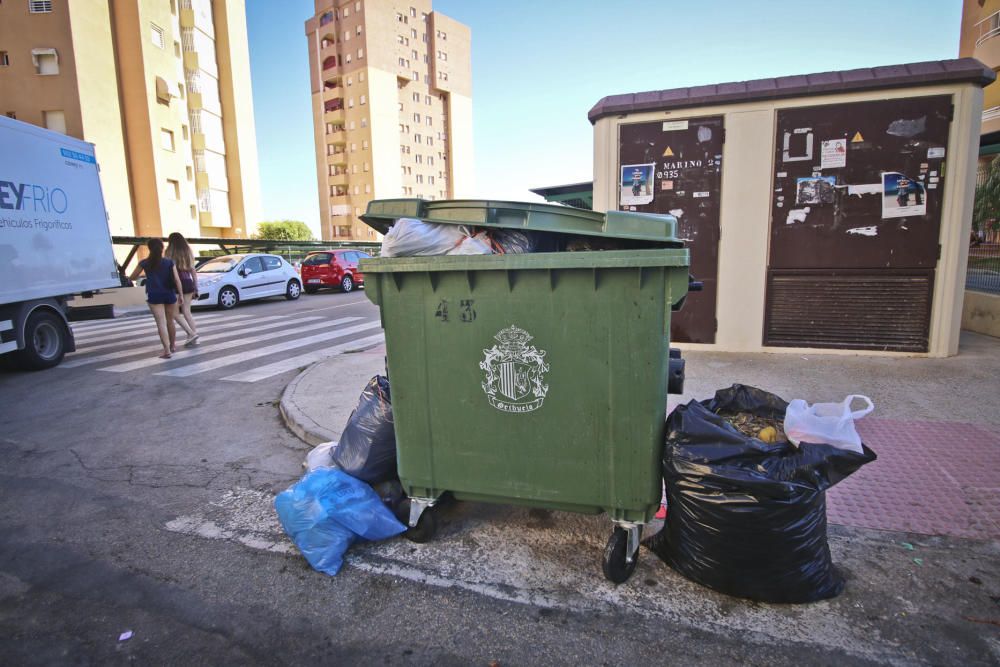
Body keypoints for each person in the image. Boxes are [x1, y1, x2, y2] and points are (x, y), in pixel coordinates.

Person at [129, 238, 184, 359]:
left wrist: (147, 275)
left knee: (161, 323)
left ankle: (166, 350)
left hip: (154, 294)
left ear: (149, 248)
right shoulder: (169, 262)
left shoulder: (144, 263)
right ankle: (173, 345)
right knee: (170, 321)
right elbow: (176, 279)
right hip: (169, 293)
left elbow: (132, 277)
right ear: (162, 248)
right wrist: (180, 294)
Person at [165, 232, 200, 347]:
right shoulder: (188, 252)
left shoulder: (169, 252)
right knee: (187, 312)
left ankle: (191, 334)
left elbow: (168, 270)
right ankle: (194, 337)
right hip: (188, 282)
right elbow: (193, 272)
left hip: (176, 283)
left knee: (175, 313)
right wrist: (196, 288)